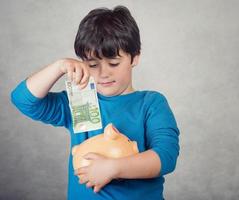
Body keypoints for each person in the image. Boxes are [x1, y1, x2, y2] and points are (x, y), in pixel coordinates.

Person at [11, 5, 180, 200]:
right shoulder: (78, 101)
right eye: (92, 65)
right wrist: (59, 67)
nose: (103, 73)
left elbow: (166, 156)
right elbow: (22, 100)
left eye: (114, 63)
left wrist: (113, 168)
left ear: (135, 57)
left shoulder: (152, 103)